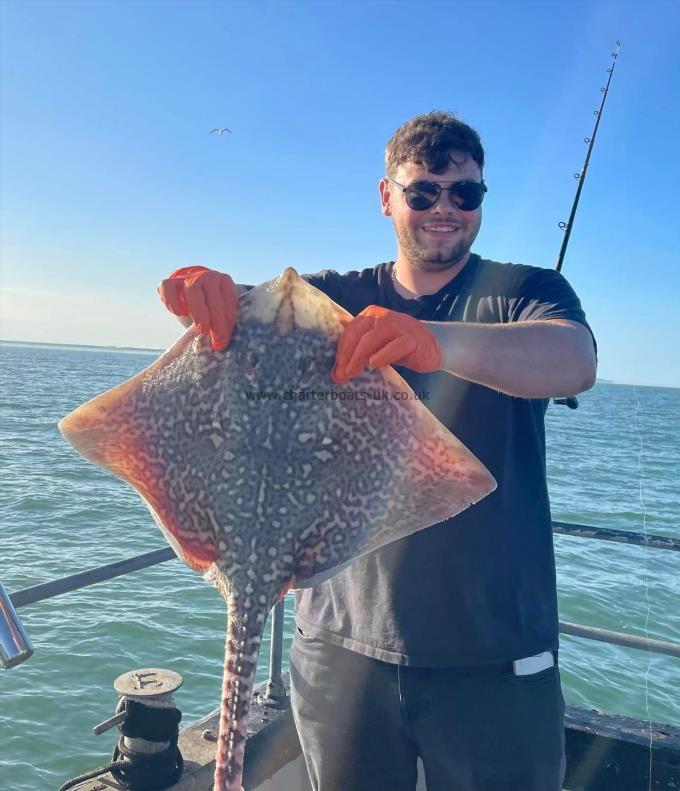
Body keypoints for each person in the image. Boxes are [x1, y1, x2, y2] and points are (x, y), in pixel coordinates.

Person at [158, 111, 597, 791]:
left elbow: (573, 359)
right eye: (423, 192)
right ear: (387, 196)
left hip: (495, 654)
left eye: (465, 193)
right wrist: (203, 295)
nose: (444, 208)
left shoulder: (524, 292)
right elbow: (234, 329)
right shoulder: (331, 300)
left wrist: (432, 341)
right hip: (338, 651)